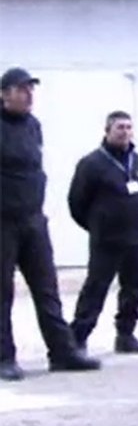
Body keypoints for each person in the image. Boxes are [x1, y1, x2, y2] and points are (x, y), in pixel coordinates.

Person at [0, 67, 102, 381]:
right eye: (21, 88)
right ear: (4, 94)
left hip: (33, 220)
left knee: (47, 289)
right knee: (2, 292)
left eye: (31, 88)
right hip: (2, 222)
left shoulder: (33, 126)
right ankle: (4, 358)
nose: (29, 94)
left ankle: (62, 352)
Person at [67, 110, 138, 355]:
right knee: (96, 288)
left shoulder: (137, 162)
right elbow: (77, 202)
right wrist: (98, 225)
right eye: (119, 128)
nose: (125, 132)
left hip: (136, 238)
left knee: (134, 287)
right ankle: (77, 338)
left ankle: (126, 335)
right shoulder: (92, 164)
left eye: (128, 127)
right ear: (107, 131)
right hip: (107, 240)